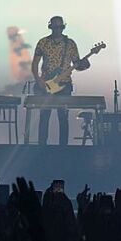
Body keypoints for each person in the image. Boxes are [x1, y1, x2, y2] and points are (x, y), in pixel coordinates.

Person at [31, 16, 89, 146]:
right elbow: (34, 64)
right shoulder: (43, 43)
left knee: (63, 117)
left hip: (65, 85)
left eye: (60, 27)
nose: (58, 30)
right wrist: (39, 80)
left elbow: (77, 65)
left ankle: (63, 149)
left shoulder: (71, 44)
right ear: (50, 27)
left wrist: (85, 64)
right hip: (46, 85)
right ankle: (42, 147)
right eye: (55, 27)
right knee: (44, 117)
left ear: (63, 27)